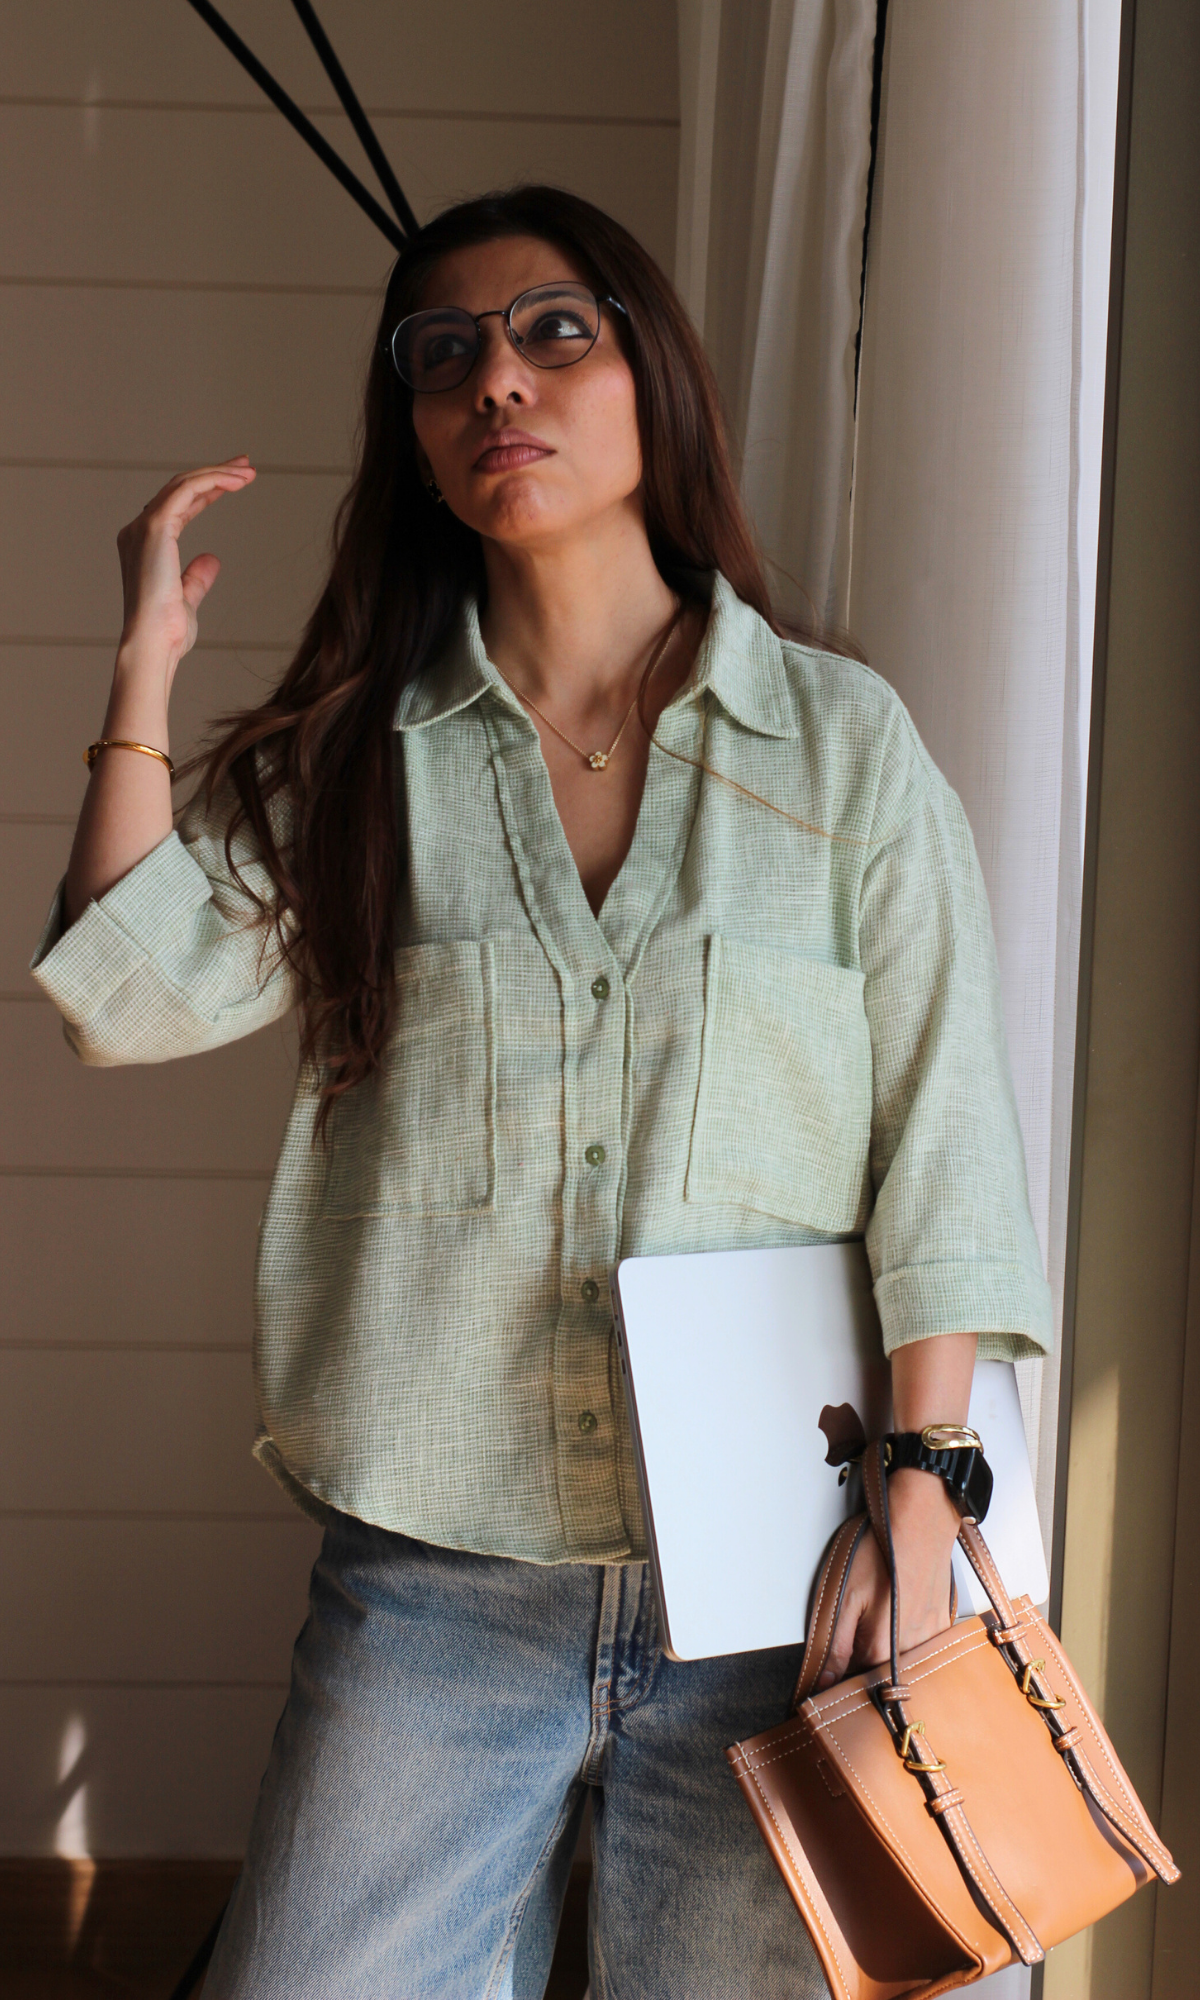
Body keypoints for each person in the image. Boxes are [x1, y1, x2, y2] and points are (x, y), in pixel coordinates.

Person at [33, 185, 1052, 1998]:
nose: (496, 377)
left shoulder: (842, 749)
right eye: (445, 357)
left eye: (550, 331)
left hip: (781, 1572)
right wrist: (144, 668)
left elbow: (943, 1134)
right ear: (419, 443)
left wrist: (922, 1484)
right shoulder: (360, 760)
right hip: (434, 1572)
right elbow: (125, 992)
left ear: (650, 377)